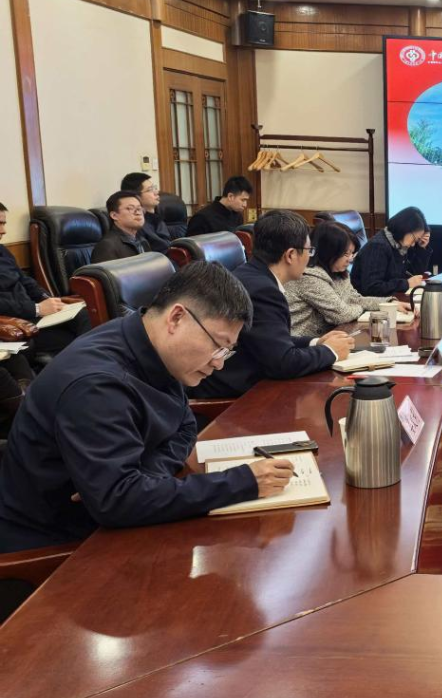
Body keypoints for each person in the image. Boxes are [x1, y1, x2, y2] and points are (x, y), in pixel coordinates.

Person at [0, 262, 297, 552]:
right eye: (217, 346)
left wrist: (146, 475)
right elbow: (118, 503)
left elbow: (185, 426)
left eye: (227, 351)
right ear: (176, 318)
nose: (219, 363)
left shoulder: (150, 344)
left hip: (108, 518)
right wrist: (244, 482)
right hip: (60, 543)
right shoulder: (97, 386)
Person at [190, 210, 354, 399]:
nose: (310, 257)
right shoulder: (263, 291)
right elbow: (283, 363)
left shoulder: (252, 275)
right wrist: (330, 352)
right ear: (290, 255)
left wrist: (317, 342)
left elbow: (268, 341)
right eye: (309, 251)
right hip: (236, 396)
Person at [0, 202, 89, 356]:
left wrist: (47, 299)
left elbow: (25, 281)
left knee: (86, 315)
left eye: (4, 224)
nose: (4, 231)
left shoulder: (2, 250)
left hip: (35, 314)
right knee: (71, 340)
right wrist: (36, 309)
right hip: (17, 325)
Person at [286, 221, 394, 339]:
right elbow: (342, 315)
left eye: (352, 253)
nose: (350, 259)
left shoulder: (339, 273)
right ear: (328, 252)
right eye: (346, 254)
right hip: (304, 343)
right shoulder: (309, 277)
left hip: (331, 337)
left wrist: (389, 302)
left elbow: (356, 299)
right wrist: (361, 308)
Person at [351, 206, 430, 300]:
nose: (413, 244)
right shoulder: (378, 246)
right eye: (415, 239)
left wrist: (421, 248)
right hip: (366, 304)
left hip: (388, 299)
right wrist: (407, 283)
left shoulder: (398, 244)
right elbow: (371, 288)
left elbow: (414, 274)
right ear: (405, 228)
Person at [91, 191, 150, 263]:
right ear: (114, 215)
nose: (138, 213)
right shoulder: (106, 246)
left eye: (139, 208)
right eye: (130, 208)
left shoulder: (143, 241)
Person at [187, 175, 251, 236]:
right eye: (243, 200)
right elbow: (191, 243)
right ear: (230, 196)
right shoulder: (201, 218)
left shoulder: (238, 216)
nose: (245, 205)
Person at [121, 172, 171, 252]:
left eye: (154, 188)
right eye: (150, 189)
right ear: (136, 197)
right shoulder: (137, 224)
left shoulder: (157, 216)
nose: (156, 192)